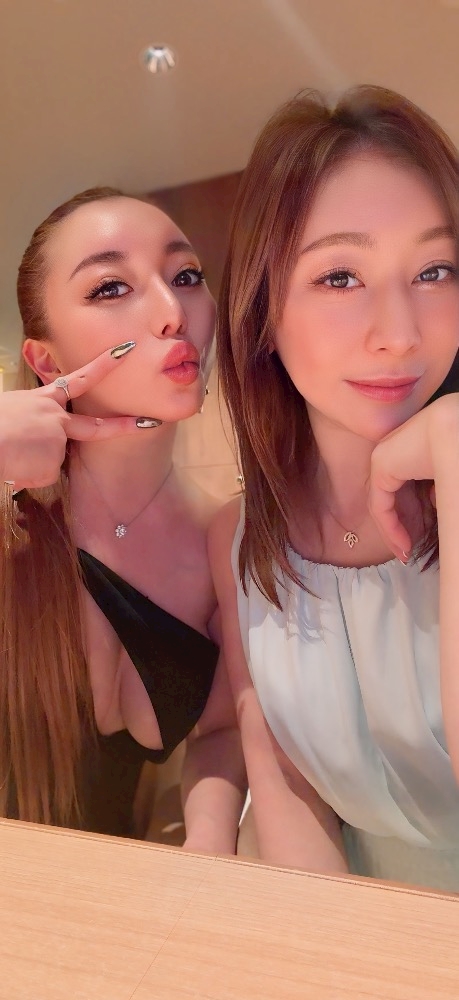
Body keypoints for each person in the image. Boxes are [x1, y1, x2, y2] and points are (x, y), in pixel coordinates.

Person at [210, 85, 459, 890]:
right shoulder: (239, 539)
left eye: (434, 270)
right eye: (340, 277)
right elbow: (282, 777)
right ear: (262, 309)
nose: (399, 333)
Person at [0, 186, 246, 846]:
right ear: (45, 360)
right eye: (111, 288)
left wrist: (206, 847)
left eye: (186, 276)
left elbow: (222, 731)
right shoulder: (8, 511)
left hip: (109, 895)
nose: (172, 314)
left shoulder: (223, 542)